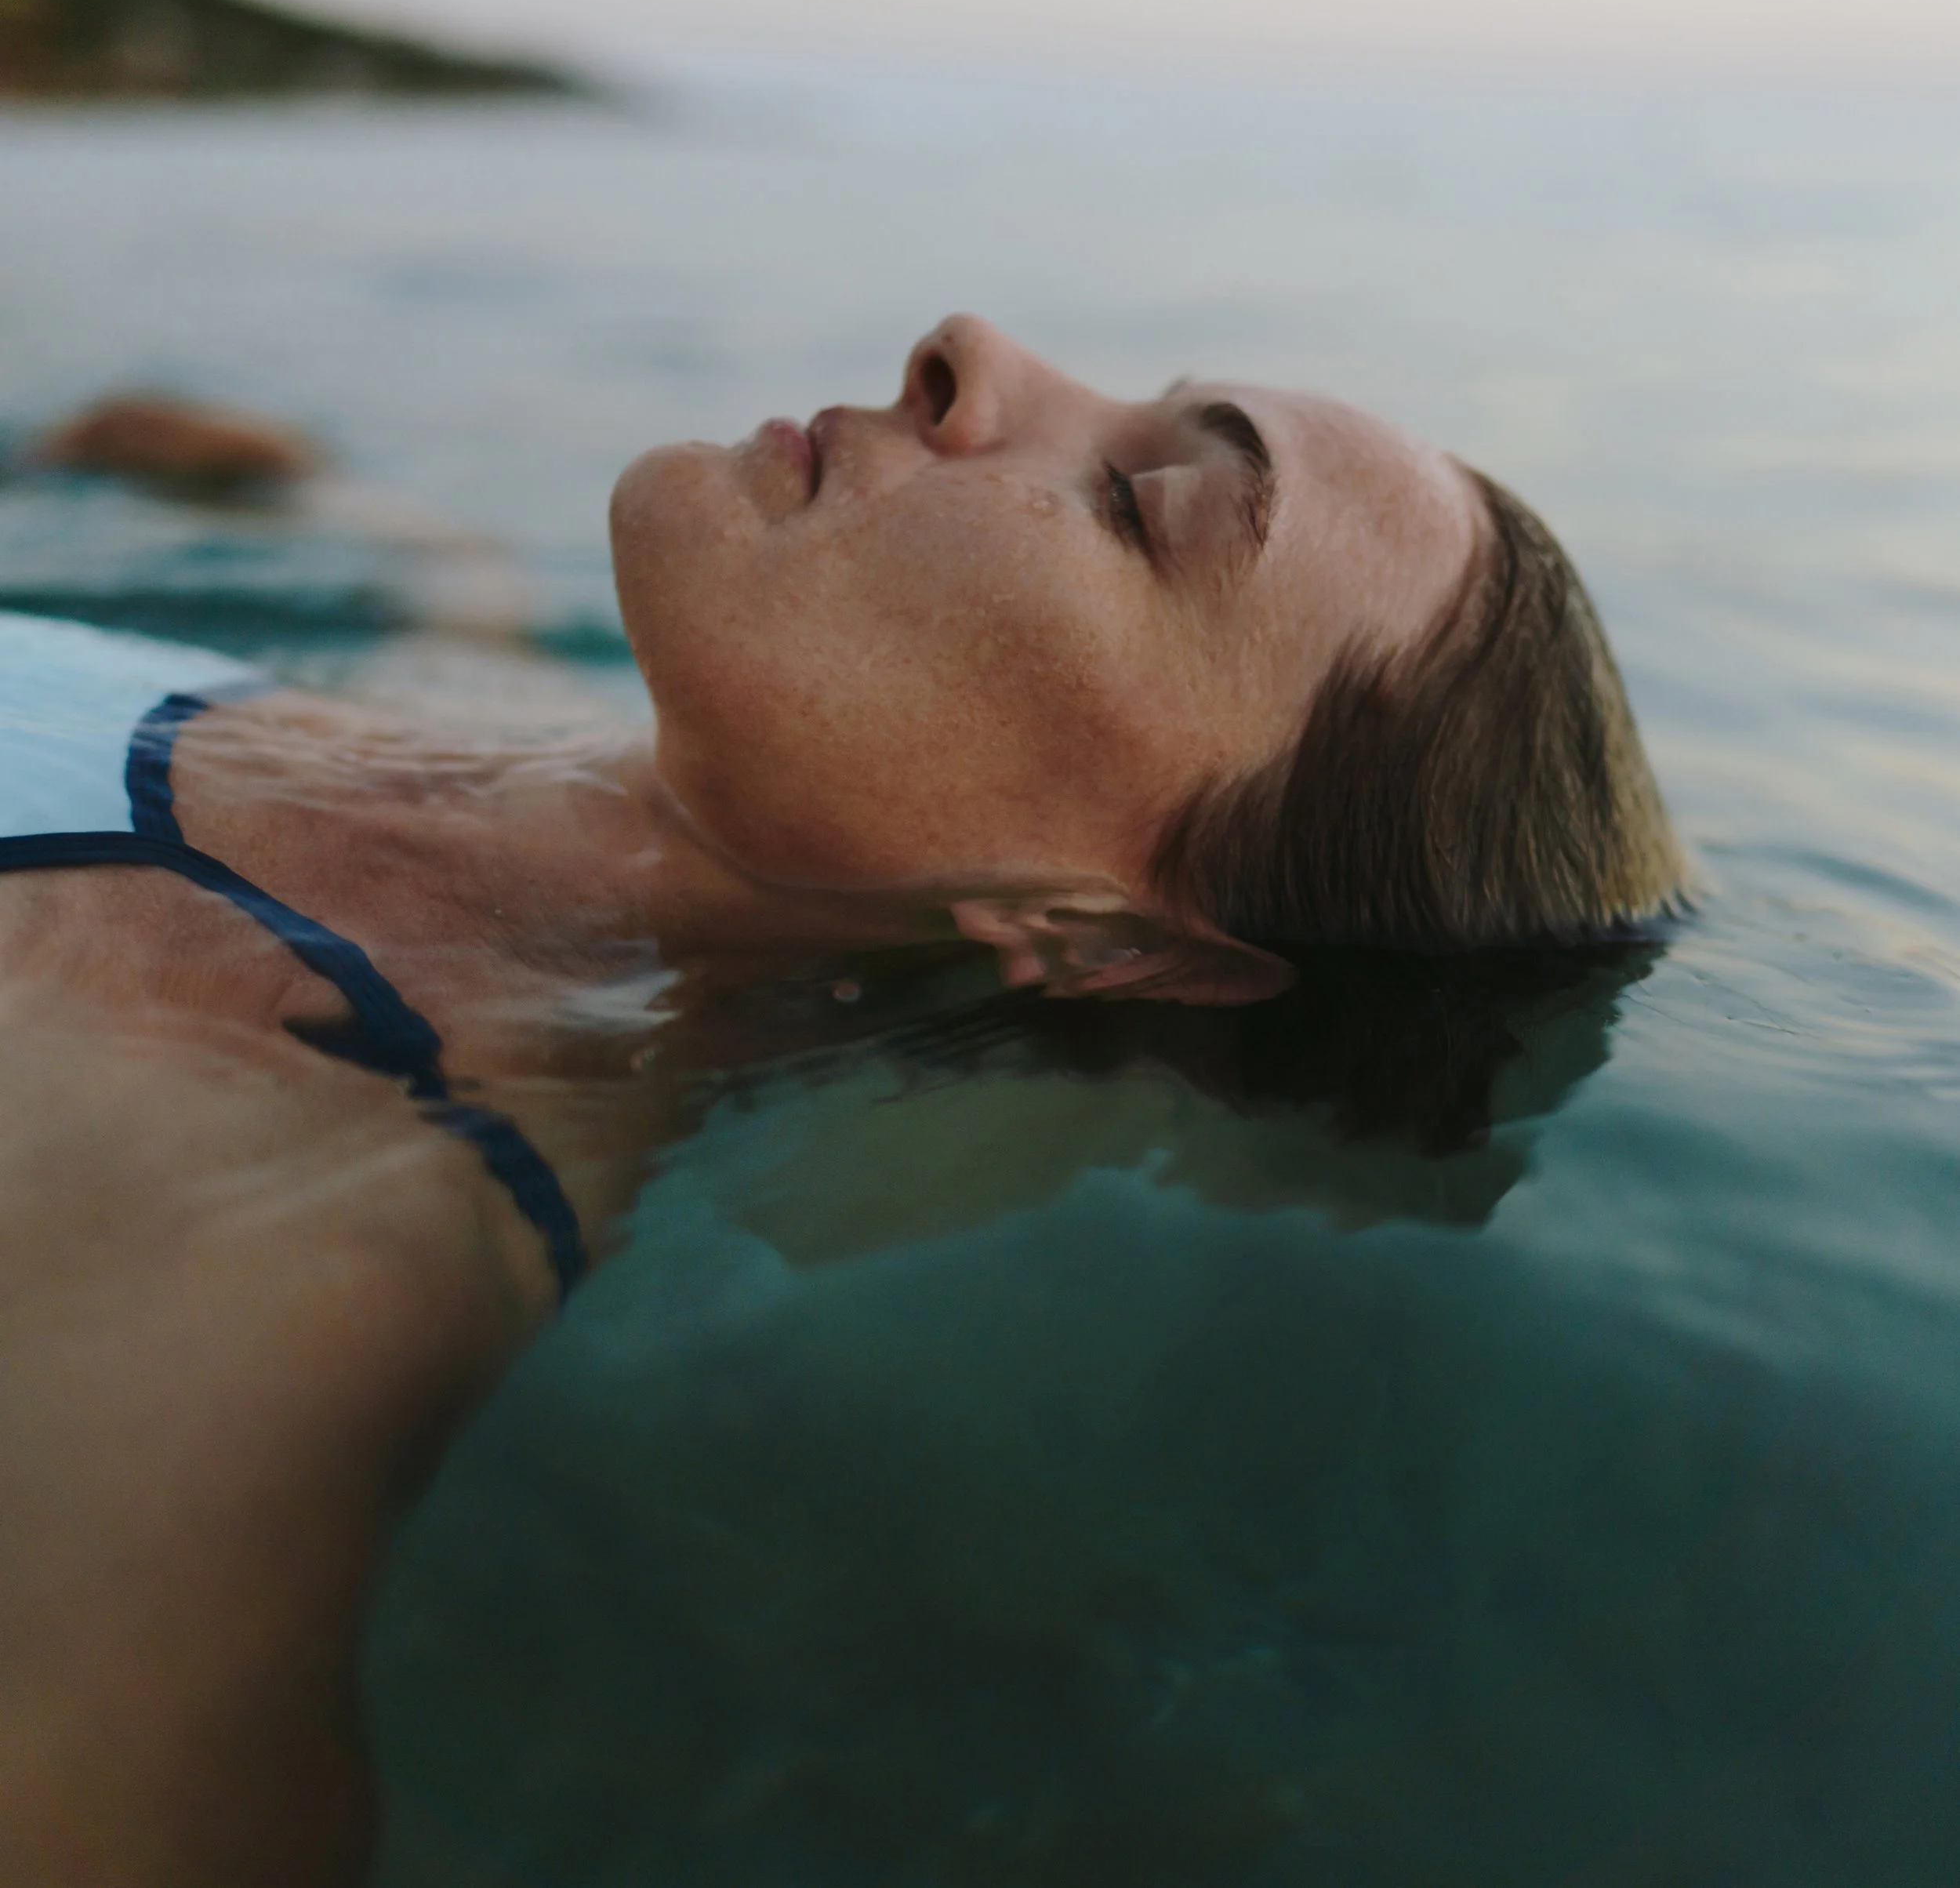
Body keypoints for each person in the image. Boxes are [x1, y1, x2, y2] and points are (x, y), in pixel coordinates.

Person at [0, 315, 1686, 1883]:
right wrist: (304, 490)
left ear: (1099, 936)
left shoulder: (262, 1237)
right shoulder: (478, 744)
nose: (971, 348)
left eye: (1141, 499)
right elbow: (460, 616)